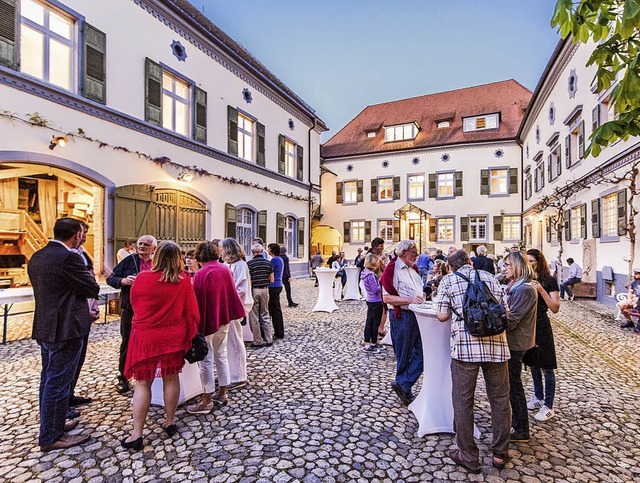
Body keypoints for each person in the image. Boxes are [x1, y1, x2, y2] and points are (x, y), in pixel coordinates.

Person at [435, 249, 511, 473]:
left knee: (463, 401)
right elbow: (504, 310)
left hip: (465, 349)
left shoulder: (448, 281)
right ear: (470, 261)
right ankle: (499, 453)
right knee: (499, 399)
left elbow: (442, 316)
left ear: (451, 266)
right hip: (496, 346)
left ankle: (468, 455)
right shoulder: (490, 277)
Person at [28, 218, 100, 452]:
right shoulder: (69, 257)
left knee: (48, 378)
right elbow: (91, 287)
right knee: (58, 382)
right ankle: (51, 436)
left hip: (46, 324)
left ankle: (52, 424)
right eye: (82, 233)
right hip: (66, 326)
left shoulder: (38, 255)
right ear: (77, 234)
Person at [121, 241, 200, 450]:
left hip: (146, 335)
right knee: (171, 378)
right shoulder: (183, 281)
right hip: (172, 335)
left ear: (156, 256)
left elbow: (135, 305)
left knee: (143, 383)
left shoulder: (142, 278)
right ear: (178, 259)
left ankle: (137, 433)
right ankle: (170, 420)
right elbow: (191, 311)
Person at [187, 241, 245, 414]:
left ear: (199, 256)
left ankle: (206, 401)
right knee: (221, 355)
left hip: (207, 321)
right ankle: (222, 393)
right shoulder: (224, 269)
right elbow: (231, 294)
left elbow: (196, 302)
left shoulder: (200, 273)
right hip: (223, 319)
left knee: (205, 360)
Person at [106, 235, 157, 394]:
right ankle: (123, 376)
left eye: (146, 244)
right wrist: (124, 281)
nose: (142, 246)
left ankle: (149, 375)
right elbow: (111, 278)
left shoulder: (157, 263)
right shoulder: (129, 260)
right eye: (140, 243)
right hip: (130, 307)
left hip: (151, 309)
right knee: (127, 341)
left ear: (153, 248)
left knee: (150, 343)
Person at [381, 240, 424, 406]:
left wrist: (421, 297)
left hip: (416, 314)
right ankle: (405, 389)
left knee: (422, 353)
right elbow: (386, 297)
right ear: (402, 252)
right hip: (402, 316)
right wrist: (410, 299)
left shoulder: (414, 269)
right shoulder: (392, 269)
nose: (416, 255)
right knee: (404, 354)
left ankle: (403, 385)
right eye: (413, 251)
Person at [503, 251, 537, 443]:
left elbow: (512, 320)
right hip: (514, 341)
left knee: (514, 386)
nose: (504, 268)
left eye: (507, 265)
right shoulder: (516, 284)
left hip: (516, 343)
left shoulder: (524, 289)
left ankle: (521, 428)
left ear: (517, 266)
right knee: (511, 385)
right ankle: (517, 424)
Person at [68, 221, 100, 409]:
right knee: (65, 363)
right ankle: (62, 406)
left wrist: (93, 305)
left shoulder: (81, 254)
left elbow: (90, 281)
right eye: (83, 232)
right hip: (72, 317)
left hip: (84, 313)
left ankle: (69, 394)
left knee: (77, 358)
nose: (85, 236)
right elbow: (86, 284)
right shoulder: (68, 257)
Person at [526, 248, 560, 422]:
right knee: (533, 363)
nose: (528, 264)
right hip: (529, 324)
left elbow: (555, 307)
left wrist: (540, 290)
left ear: (539, 261)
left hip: (542, 324)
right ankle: (538, 397)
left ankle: (549, 405)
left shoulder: (549, 281)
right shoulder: (526, 279)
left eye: (531, 261)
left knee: (547, 365)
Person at [220, 238, 252, 391]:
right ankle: (230, 372)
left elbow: (241, 288)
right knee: (228, 341)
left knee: (234, 340)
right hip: (228, 305)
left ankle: (239, 376)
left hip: (234, 306)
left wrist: (226, 299)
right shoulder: (227, 265)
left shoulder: (240, 265)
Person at [247, 244, 274, 347]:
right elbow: (272, 280)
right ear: (262, 251)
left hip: (255, 290)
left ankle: (258, 341)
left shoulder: (249, 264)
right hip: (265, 290)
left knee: (254, 317)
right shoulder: (268, 263)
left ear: (252, 252)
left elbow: (250, 281)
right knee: (265, 314)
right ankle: (269, 339)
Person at [361, 254, 384, 352]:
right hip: (376, 300)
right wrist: (382, 284)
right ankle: (372, 343)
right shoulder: (370, 275)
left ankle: (368, 342)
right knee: (375, 323)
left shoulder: (365, 272)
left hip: (370, 299)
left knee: (369, 322)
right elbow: (375, 290)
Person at [268, 243, 286, 339]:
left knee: (274, 310)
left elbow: (269, 271)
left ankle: (278, 332)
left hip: (273, 285)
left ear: (271, 250)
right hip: (278, 284)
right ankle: (278, 331)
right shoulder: (280, 259)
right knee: (276, 309)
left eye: (268, 248)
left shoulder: (274, 260)